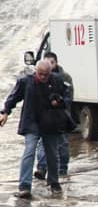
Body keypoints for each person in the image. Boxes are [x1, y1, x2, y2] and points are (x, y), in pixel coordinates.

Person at [1, 61, 71, 198]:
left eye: (46, 75)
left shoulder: (57, 80)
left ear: (50, 73)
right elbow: (14, 97)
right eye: (41, 74)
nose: (43, 77)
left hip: (50, 122)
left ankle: (54, 182)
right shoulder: (26, 81)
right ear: (36, 72)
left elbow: (67, 96)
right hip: (31, 121)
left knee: (52, 153)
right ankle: (24, 186)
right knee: (29, 151)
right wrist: (5, 112)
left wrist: (60, 102)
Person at [34, 52, 73, 180]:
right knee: (42, 143)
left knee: (62, 143)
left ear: (55, 63)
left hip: (60, 116)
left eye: (51, 63)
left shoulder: (64, 77)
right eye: (46, 62)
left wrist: (60, 103)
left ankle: (62, 169)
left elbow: (68, 96)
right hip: (44, 117)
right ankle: (42, 168)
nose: (48, 66)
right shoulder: (39, 78)